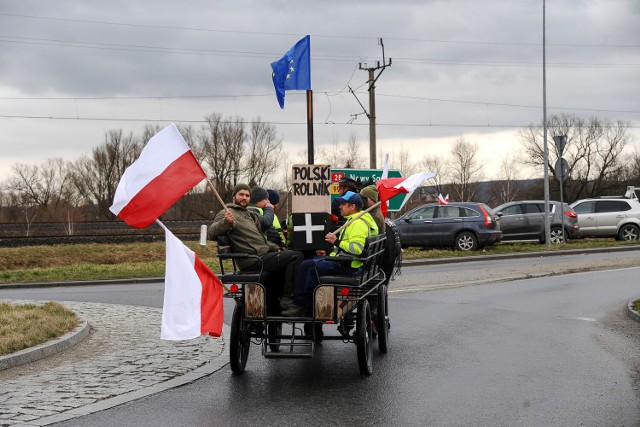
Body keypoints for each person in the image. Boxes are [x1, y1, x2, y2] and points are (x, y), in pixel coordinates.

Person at [282, 191, 378, 316]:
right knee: (312, 260)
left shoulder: (358, 223)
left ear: (353, 207)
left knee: (307, 266)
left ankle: (300, 304)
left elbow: (356, 249)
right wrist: (328, 252)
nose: (339, 207)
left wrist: (336, 241)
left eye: (343, 204)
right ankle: (311, 300)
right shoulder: (355, 220)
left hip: (348, 266)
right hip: (345, 261)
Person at [208, 183, 303, 310]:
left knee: (290, 254)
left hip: (263, 255)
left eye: (247, 195)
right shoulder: (227, 212)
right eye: (241, 194)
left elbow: (261, 237)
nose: (244, 197)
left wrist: (277, 248)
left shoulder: (250, 215)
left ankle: (274, 303)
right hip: (252, 259)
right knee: (296, 256)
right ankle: (288, 300)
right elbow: (211, 233)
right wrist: (225, 222)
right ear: (233, 197)